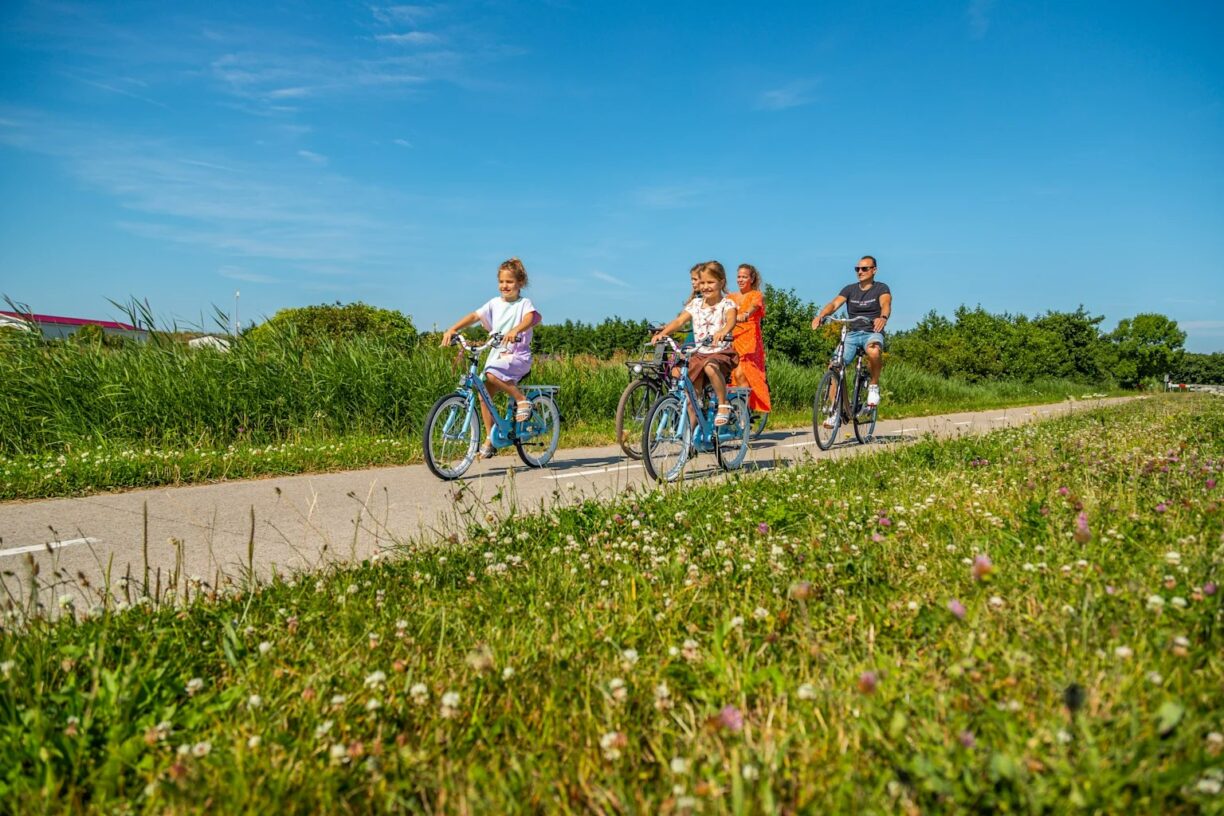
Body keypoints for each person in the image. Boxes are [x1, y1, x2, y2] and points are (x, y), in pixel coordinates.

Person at [441, 258, 541, 458]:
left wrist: (516, 329)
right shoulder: (494, 303)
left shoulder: (523, 304)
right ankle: (491, 438)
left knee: (491, 373)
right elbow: (475, 316)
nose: (505, 286)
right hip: (498, 357)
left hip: (517, 356)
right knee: (483, 394)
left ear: (520, 283)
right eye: (501, 282)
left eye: (509, 282)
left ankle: (522, 400)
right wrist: (453, 328)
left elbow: (532, 317)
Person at [651, 261, 739, 426]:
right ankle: (690, 435)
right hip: (699, 353)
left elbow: (731, 320)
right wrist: (663, 333)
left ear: (721, 282)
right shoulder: (695, 304)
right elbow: (679, 321)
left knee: (710, 367)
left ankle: (723, 405)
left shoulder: (727, 304)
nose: (705, 286)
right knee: (691, 396)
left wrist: (723, 331)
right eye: (702, 282)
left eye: (710, 282)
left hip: (719, 352)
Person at [811, 255, 891, 416]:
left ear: (874, 270)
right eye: (857, 269)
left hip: (872, 332)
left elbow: (885, 304)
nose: (860, 272)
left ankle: (873, 386)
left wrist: (882, 318)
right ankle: (835, 411)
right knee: (834, 365)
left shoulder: (881, 288)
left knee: (874, 351)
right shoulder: (849, 289)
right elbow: (834, 303)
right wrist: (822, 315)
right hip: (852, 334)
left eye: (864, 268)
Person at [729, 263, 772, 417]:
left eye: (744, 277)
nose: (740, 280)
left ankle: (744, 413)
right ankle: (736, 409)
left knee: (742, 373)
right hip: (732, 338)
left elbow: (754, 307)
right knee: (732, 374)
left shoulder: (756, 295)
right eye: (739, 277)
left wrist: (745, 314)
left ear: (752, 279)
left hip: (749, 340)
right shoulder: (731, 297)